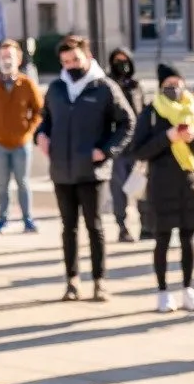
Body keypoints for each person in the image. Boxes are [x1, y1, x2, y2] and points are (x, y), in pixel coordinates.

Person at [37, 34, 133, 302]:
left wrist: (105, 150)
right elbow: (46, 121)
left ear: (88, 57)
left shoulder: (104, 88)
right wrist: (41, 135)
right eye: (65, 61)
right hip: (62, 172)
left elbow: (127, 123)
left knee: (94, 226)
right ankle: (72, 281)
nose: (71, 65)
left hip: (93, 173)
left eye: (75, 59)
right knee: (69, 228)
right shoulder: (56, 88)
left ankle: (100, 281)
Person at [129, 63, 194, 314]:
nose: (174, 89)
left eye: (177, 84)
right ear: (160, 87)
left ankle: (188, 288)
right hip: (161, 184)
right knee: (162, 239)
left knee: (188, 238)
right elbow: (138, 150)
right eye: (168, 85)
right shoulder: (151, 113)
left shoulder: (191, 110)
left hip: (189, 183)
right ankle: (163, 291)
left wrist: (191, 139)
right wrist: (167, 138)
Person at [0, 38, 42, 235]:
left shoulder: (27, 84)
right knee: (2, 185)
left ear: (19, 59)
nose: (6, 60)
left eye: (10, 57)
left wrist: (29, 130)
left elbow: (39, 110)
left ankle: (28, 219)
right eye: (3, 56)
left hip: (22, 144)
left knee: (23, 183)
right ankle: (2, 219)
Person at [105, 46, 146, 240]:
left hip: (137, 145)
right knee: (119, 189)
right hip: (118, 146)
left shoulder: (136, 86)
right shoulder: (108, 85)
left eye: (125, 60)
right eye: (117, 61)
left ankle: (146, 225)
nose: (122, 65)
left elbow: (142, 112)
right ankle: (122, 226)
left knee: (140, 187)